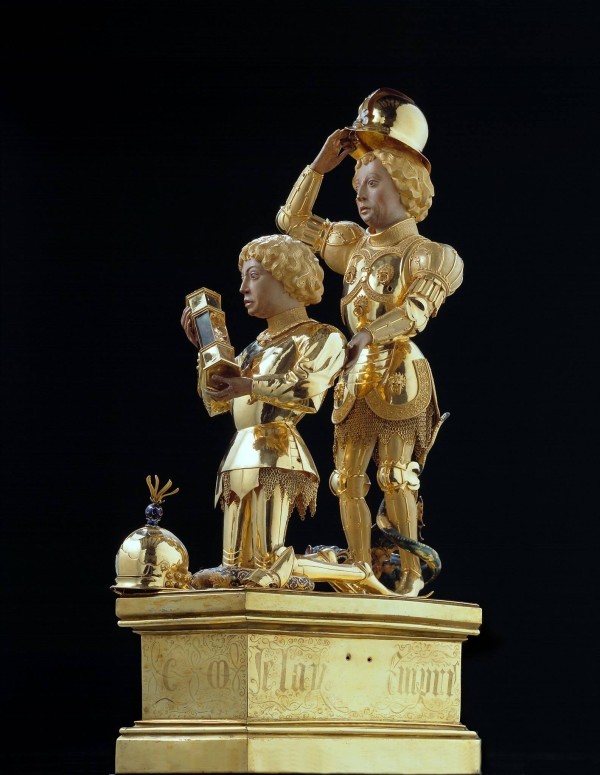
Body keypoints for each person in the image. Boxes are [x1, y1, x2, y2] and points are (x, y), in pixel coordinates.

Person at [275, 88, 464, 597]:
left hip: (398, 368)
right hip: (355, 372)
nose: (360, 195)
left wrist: (368, 334)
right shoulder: (353, 244)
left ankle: (409, 575)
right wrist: (319, 169)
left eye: (373, 183)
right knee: (346, 479)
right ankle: (359, 571)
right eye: (357, 184)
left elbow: (416, 311)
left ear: (406, 187)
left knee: (397, 476)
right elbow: (291, 223)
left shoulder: (428, 252)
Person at [181, 234, 393, 593]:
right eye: (244, 278)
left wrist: (249, 385)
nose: (243, 288)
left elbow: (308, 389)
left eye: (253, 276)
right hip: (242, 450)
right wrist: (206, 350)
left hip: (279, 449)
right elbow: (216, 403)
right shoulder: (253, 348)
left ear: (287, 278)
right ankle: (308, 566)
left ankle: (353, 570)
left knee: (266, 564)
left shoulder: (321, 337)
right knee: (233, 567)